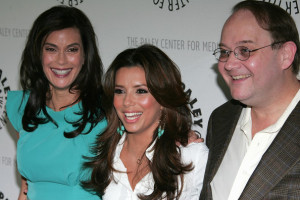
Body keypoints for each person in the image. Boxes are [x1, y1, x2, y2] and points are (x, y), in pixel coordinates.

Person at [200, 0, 300, 200]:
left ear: (285, 55)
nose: (229, 63)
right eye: (225, 52)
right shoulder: (221, 120)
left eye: (244, 50)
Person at [6, 5, 106, 200]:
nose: (61, 61)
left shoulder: (107, 111)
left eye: (72, 50)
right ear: (38, 54)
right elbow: (25, 189)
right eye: (51, 49)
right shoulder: (24, 107)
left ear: (85, 56)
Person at [82, 44, 208, 199]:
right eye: (120, 91)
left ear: (162, 98)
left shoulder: (192, 155)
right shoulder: (106, 153)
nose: (127, 102)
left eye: (140, 91)